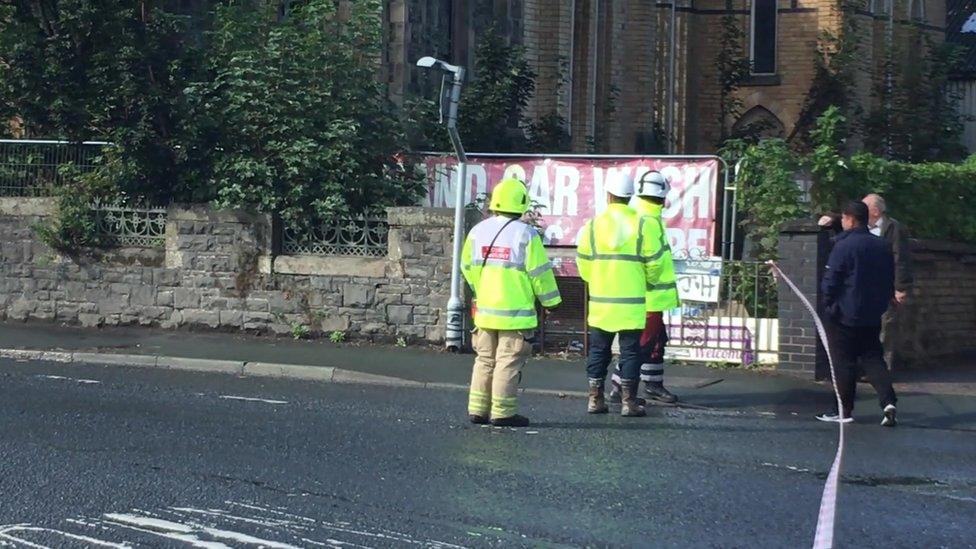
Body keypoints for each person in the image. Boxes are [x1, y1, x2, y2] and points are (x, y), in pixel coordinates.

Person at [461, 178, 562, 428]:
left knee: (484, 360)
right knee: (507, 361)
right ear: (521, 205)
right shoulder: (526, 235)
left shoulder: (477, 232)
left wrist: (481, 288)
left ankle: (477, 409)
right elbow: (539, 274)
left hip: (484, 312)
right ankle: (503, 412)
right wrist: (552, 302)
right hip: (515, 316)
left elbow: (466, 267)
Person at [576, 173, 661, 417]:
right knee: (631, 352)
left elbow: (583, 262)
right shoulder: (642, 224)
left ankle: (595, 399)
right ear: (629, 197)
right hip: (632, 303)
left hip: (602, 302)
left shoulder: (592, 226)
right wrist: (645, 280)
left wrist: (598, 279)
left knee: (599, 350)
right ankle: (629, 402)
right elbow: (654, 263)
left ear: (608, 195)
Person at [817, 201, 898, 427]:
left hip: (844, 313)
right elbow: (888, 277)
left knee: (843, 362)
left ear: (850, 219)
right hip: (872, 312)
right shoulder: (881, 245)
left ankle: (843, 410)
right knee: (873, 358)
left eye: (843, 219)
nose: (842, 223)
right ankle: (888, 402)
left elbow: (831, 280)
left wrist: (829, 305)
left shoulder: (843, 246)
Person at [608, 170, 681, 405]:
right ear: (662, 196)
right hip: (647, 297)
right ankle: (620, 387)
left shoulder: (643, 216)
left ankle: (653, 384)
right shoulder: (647, 220)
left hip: (649, 296)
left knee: (656, 340)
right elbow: (652, 262)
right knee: (642, 344)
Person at [863, 194, 913, 370]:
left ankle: (882, 370)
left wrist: (901, 288)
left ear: (876, 211)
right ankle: (867, 367)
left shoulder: (893, 228)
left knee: (886, 328)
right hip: (866, 287)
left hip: (887, 287)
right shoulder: (862, 227)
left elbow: (900, 259)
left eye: (865, 208)